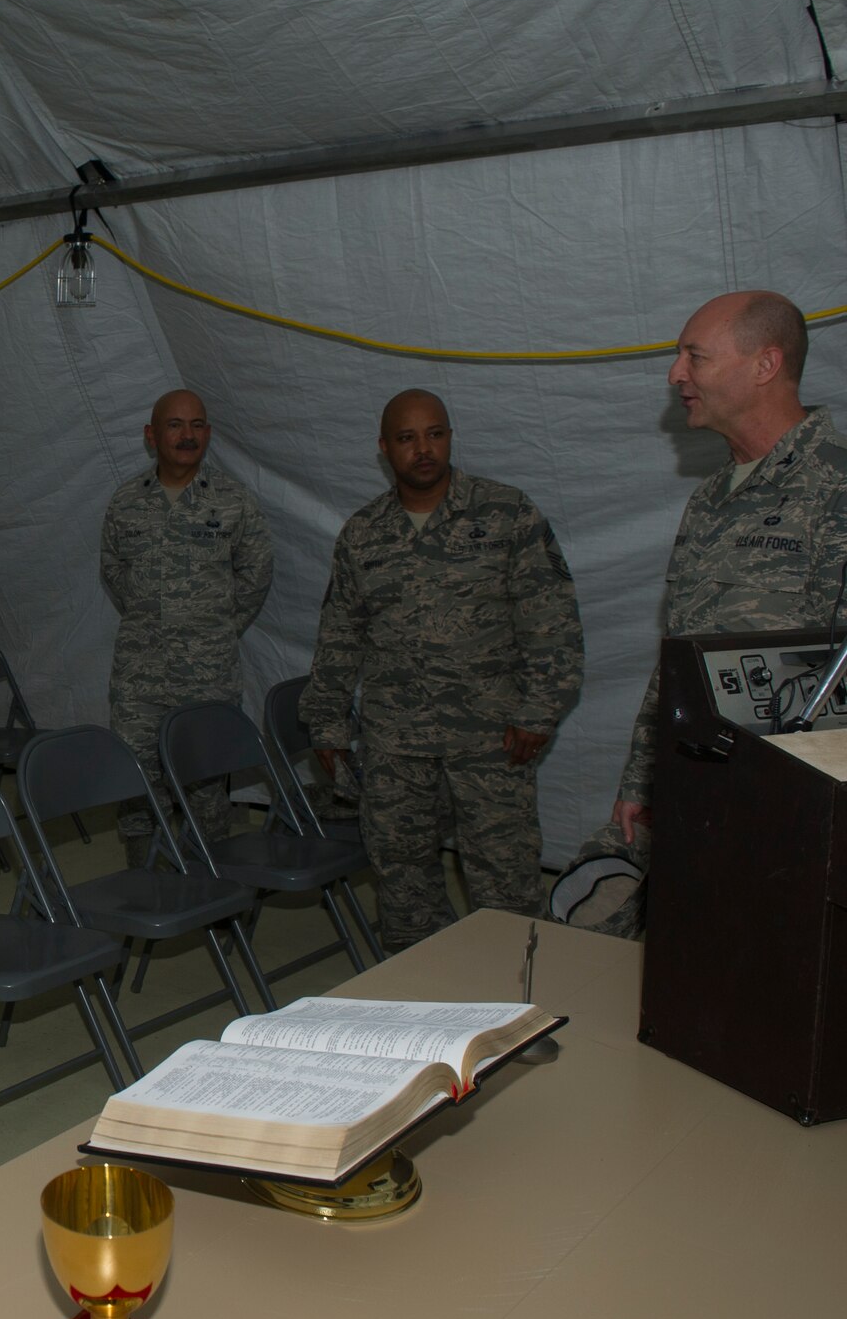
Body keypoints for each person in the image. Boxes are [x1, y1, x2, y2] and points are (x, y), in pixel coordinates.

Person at [301, 389, 583, 950]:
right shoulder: (363, 534)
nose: (423, 449)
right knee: (404, 889)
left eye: (435, 434)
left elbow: (551, 622)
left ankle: (512, 1014)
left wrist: (539, 711)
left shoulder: (505, 513)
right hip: (396, 746)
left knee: (506, 889)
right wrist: (327, 722)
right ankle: (423, 1012)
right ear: (385, 448)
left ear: (450, 437)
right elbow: (339, 636)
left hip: (491, 740)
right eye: (407, 438)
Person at [611, 292, 847, 851]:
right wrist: (645, 774)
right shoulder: (711, 497)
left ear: (765, 365)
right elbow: (679, 651)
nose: (675, 374)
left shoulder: (836, 487)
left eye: (696, 356)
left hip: (800, 808)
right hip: (702, 788)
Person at [101, 389, 274, 862]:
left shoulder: (234, 502)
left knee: (206, 790)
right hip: (140, 676)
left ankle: (213, 887)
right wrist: (151, 619)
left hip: (207, 675)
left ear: (209, 434)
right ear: (150, 435)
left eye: (197, 425)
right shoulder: (125, 504)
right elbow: (115, 571)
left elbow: (256, 574)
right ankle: (145, 885)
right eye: (175, 425)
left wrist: (214, 626)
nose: (187, 435)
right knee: (137, 785)